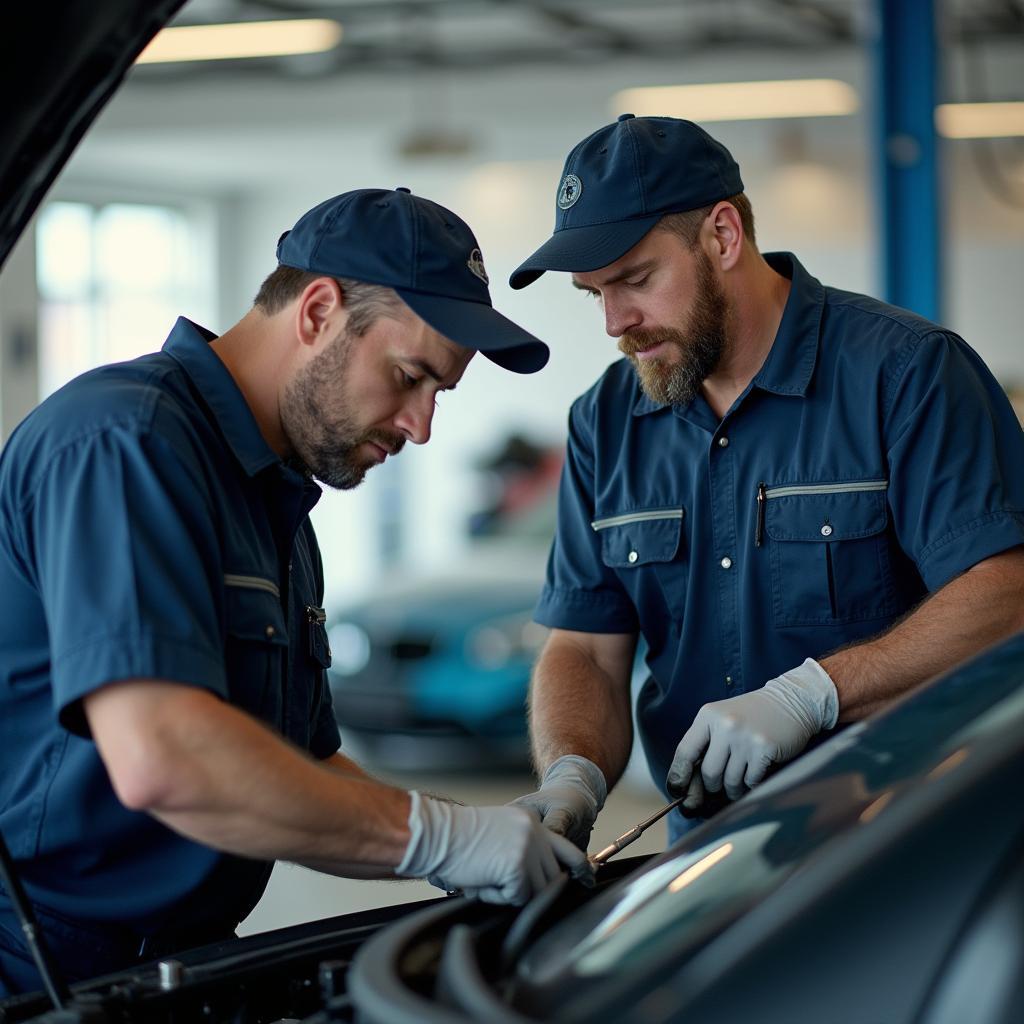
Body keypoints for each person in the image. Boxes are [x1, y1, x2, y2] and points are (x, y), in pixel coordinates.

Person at [0, 187, 591, 997]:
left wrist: (477, 830)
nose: (421, 428)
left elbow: (301, 767)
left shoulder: (275, 505)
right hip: (37, 971)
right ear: (317, 311)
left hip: (178, 964)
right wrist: (439, 838)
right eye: (409, 376)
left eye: (439, 395)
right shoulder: (124, 445)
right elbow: (163, 760)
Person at [502, 114, 1024, 852]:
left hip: (907, 846)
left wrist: (816, 694)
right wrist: (571, 774)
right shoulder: (606, 421)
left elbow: (1005, 594)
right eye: (595, 294)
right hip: (707, 861)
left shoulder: (907, 373)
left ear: (722, 235)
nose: (618, 322)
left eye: (636, 280)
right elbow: (585, 647)